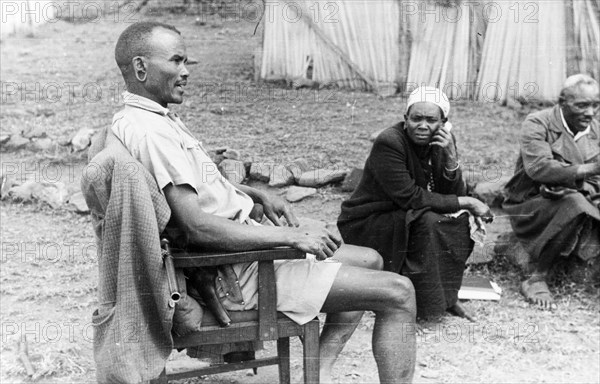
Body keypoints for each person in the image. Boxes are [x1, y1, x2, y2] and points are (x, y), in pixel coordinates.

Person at [110, 21, 417, 383]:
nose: (186, 71)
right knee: (400, 292)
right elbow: (196, 225)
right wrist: (291, 237)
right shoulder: (151, 132)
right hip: (243, 272)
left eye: (186, 62)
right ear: (141, 67)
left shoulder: (148, 120)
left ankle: (319, 371)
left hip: (247, 255)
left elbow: (198, 193)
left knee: (372, 259)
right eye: (176, 62)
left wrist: (253, 194)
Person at [338, 87, 492, 319]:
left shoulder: (443, 141)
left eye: (431, 120)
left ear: (443, 122)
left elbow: (452, 192)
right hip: (370, 220)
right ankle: (426, 307)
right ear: (405, 119)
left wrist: (451, 157)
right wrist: (468, 201)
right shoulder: (389, 142)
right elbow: (409, 196)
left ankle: (447, 299)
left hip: (407, 213)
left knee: (458, 221)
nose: (422, 125)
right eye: (416, 118)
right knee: (429, 222)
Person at [503, 74, 600, 310]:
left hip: (576, 194)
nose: (590, 112)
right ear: (562, 101)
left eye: (595, 105)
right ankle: (537, 277)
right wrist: (589, 170)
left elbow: (596, 179)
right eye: (582, 105)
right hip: (530, 200)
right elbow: (539, 168)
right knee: (574, 204)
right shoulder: (538, 122)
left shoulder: (595, 129)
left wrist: (576, 183)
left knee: (576, 199)